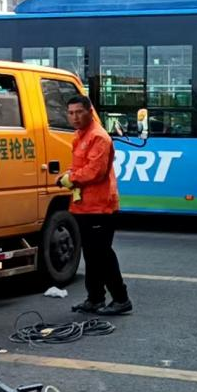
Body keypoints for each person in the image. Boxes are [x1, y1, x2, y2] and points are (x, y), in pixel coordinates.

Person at [60, 95, 131, 315]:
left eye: (79, 112)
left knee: (102, 254)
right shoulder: (79, 136)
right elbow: (79, 166)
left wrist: (70, 179)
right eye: (71, 113)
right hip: (84, 205)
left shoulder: (98, 137)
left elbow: (95, 172)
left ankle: (121, 299)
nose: (75, 117)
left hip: (101, 207)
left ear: (90, 112)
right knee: (91, 254)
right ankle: (95, 298)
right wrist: (69, 174)